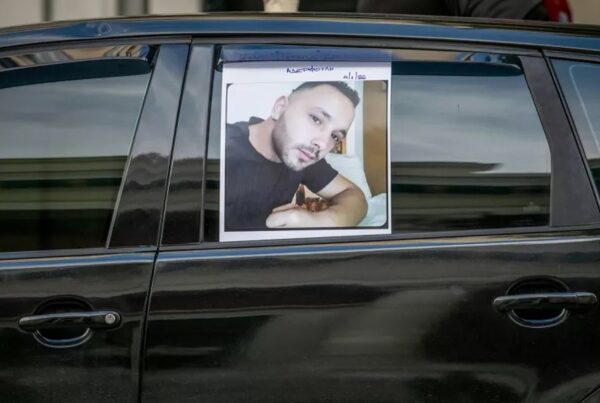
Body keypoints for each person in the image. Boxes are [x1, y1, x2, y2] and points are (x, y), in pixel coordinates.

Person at [225, 81, 368, 230]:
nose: (323, 144)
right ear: (280, 108)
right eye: (316, 119)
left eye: (335, 136)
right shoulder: (222, 145)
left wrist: (317, 222)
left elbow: (354, 195)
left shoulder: (304, 156)